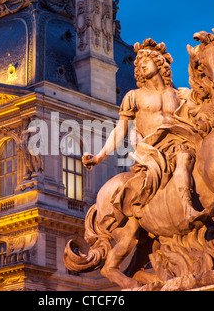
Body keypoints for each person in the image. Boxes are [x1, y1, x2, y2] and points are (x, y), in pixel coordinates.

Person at [83, 39, 207, 226]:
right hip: (154, 150)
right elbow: (120, 130)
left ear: (158, 63)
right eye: (138, 64)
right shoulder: (134, 96)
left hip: (182, 140)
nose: (141, 66)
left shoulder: (178, 94)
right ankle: (186, 208)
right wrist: (98, 157)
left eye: (145, 61)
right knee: (183, 157)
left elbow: (197, 120)